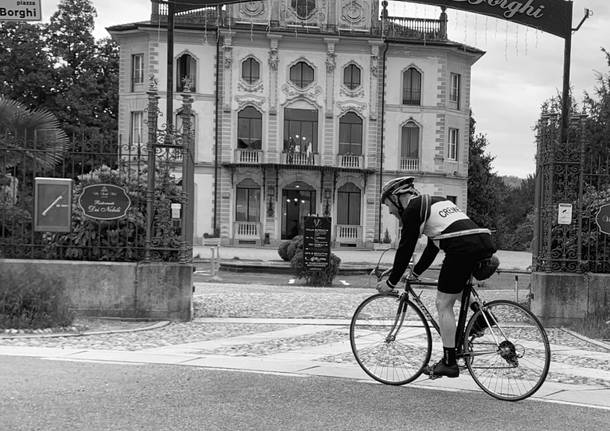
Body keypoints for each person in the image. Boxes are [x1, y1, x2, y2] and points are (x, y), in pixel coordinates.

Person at [377, 176, 496, 378]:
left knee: (443, 303)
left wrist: (391, 282)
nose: (390, 211)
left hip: (462, 247)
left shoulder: (413, 209)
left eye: (389, 205)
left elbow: (405, 249)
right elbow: (433, 247)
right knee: (453, 288)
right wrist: (414, 273)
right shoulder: (436, 201)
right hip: (482, 241)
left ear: (398, 198)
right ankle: (483, 316)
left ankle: (449, 363)